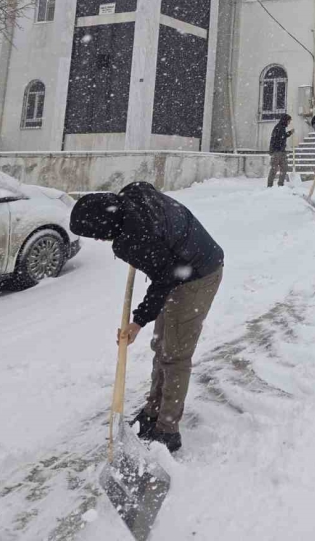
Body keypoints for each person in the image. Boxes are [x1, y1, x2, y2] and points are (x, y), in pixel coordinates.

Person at [69, 181, 224, 453]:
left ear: (105, 228)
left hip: (198, 274)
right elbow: (144, 185)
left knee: (175, 354)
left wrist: (138, 321)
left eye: (96, 234)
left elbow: (163, 280)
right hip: (181, 263)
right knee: (161, 345)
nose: (97, 240)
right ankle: (153, 409)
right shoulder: (131, 195)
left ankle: (167, 429)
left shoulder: (135, 240)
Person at [268, 113, 293, 187]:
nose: (289, 123)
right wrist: (290, 133)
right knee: (274, 169)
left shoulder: (281, 127)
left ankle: (280, 185)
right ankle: (270, 186)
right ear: (285, 120)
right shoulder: (279, 127)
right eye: (289, 121)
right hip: (277, 151)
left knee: (284, 168)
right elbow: (281, 137)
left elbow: (282, 137)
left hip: (281, 151)